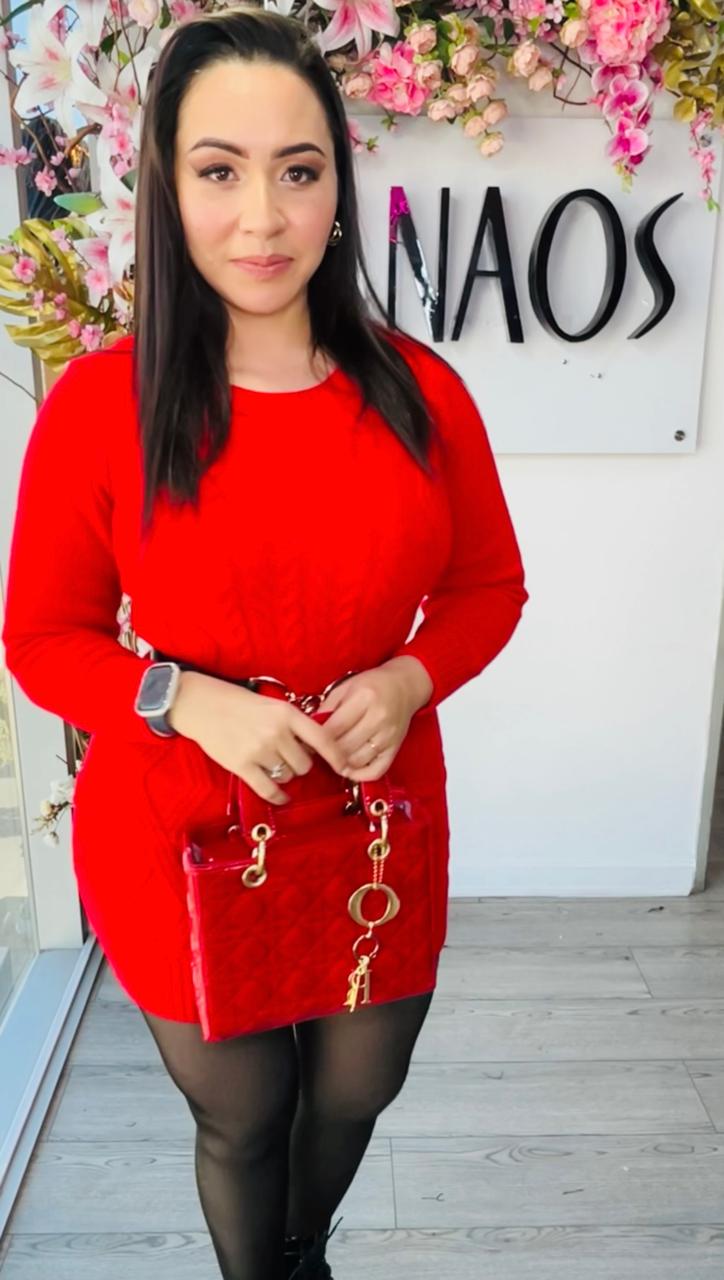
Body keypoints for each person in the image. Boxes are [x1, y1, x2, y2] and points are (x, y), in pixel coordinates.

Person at [1, 6, 529, 1279]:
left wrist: (409, 675)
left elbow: (488, 588)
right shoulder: (102, 405)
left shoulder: (421, 392)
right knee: (243, 1113)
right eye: (219, 171)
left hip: (373, 809)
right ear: (166, 189)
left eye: (298, 171)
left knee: (356, 1087)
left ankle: (300, 1250)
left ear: (338, 188)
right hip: (177, 820)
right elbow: (43, 636)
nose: (262, 218)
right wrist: (185, 698)